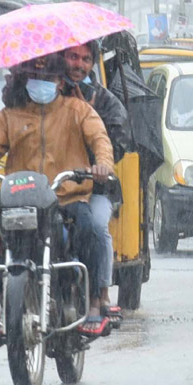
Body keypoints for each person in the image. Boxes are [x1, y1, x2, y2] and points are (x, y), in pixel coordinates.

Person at [0, 52, 115, 338]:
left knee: (92, 230)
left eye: (48, 79)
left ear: (60, 82)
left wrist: (103, 164)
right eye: (34, 78)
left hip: (67, 199)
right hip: (21, 200)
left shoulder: (78, 110)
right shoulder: (8, 116)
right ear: (24, 80)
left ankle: (94, 302)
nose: (41, 84)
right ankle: (6, 306)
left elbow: (100, 139)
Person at [63, 42, 129, 319]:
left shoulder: (106, 101)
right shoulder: (51, 96)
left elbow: (117, 143)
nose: (79, 64)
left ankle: (101, 292)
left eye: (86, 59)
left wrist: (90, 117)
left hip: (97, 189)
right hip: (57, 188)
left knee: (97, 228)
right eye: (73, 57)